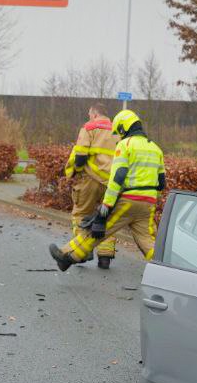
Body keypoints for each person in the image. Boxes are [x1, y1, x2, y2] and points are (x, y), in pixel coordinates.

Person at [49, 109, 165, 271]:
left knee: (98, 230)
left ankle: (67, 255)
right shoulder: (155, 148)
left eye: (120, 132)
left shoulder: (125, 145)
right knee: (147, 240)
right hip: (149, 203)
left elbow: (117, 178)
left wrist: (105, 208)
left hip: (128, 200)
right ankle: (167, 269)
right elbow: (161, 183)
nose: (119, 137)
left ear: (124, 128)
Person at [62, 104, 120, 269]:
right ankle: (105, 257)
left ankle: (82, 252)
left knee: (81, 213)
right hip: (112, 183)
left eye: (89, 114)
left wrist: (77, 171)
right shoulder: (118, 130)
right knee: (106, 217)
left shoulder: (89, 127)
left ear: (94, 113)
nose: (89, 117)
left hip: (90, 179)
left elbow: (80, 157)